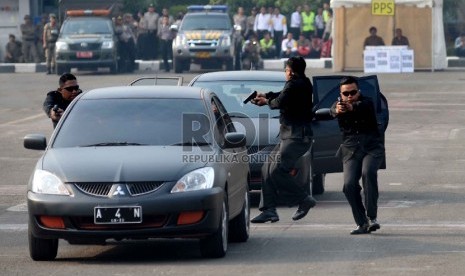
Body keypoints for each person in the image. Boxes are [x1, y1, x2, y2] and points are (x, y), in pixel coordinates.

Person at [250, 56, 316, 223]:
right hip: (288, 134)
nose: (285, 73)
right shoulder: (303, 82)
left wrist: (266, 101)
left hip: (296, 136)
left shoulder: (294, 84)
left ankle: (304, 199)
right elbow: (282, 95)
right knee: (266, 168)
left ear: (291, 72)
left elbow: (279, 101)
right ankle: (269, 210)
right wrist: (266, 95)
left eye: (286, 70)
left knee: (278, 171)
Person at [330, 76, 385, 235]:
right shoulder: (338, 104)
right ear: (340, 94)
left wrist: (351, 107)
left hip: (371, 147)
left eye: (353, 92)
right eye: (345, 94)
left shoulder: (367, 103)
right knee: (349, 186)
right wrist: (336, 110)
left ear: (358, 91)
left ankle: (372, 217)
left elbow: (360, 107)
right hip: (351, 150)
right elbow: (332, 110)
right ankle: (362, 222)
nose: (349, 96)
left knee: (368, 173)